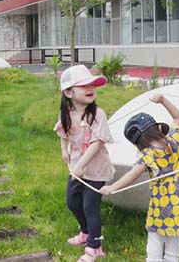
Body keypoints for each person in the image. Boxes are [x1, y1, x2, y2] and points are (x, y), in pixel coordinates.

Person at [101, 94, 179, 262]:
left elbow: (132, 175)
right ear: (157, 129)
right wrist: (163, 100)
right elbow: (178, 117)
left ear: (138, 143)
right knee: (175, 235)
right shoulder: (175, 138)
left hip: (165, 205)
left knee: (155, 235)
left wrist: (112, 188)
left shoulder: (149, 155)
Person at [55, 64, 114, 262]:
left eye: (92, 85)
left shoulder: (98, 114)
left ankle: (94, 247)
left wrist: (81, 165)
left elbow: (98, 142)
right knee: (72, 201)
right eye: (84, 86)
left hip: (95, 169)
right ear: (69, 92)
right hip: (76, 168)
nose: (90, 89)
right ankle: (86, 232)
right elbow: (63, 132)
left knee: (90, 206)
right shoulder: (66, 113)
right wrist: (65, 150)